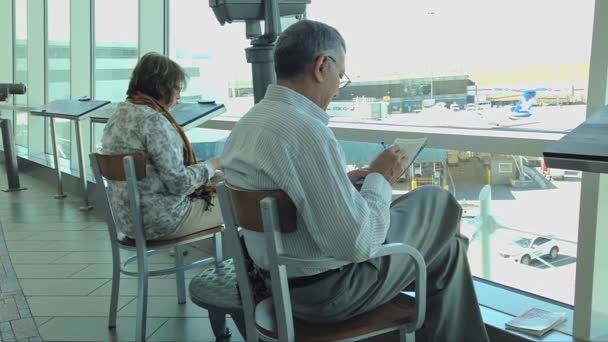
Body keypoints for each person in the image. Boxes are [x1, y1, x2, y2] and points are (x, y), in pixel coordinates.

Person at [221, 20, 490, 341]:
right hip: (328, 294)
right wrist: (381, 176)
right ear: (322, 66)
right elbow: (357, 244)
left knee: (449, 253)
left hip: (276, 283)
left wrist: (342, 181)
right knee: (436, 200)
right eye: (340, 77)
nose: (337, 88)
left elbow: (285, 192)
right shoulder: (307, 132)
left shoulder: (248, 124)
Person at [101, 52, 223, 240]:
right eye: (176, 89)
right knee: (237, 202)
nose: (178, 97)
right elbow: (179, 183)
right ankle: (252, 265)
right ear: (162, 88)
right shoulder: (154, 121)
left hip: (128, 221)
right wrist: (213, 165)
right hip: (161, 222)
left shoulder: (118, 115)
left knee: (217, 181)